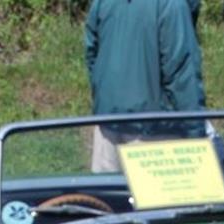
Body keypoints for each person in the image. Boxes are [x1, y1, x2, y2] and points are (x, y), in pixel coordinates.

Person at [84, 0, 206, 172]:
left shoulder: (102, 2)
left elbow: (91, 54)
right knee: (159, 197)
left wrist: (104, 97)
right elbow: (182, 75)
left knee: (106, 195)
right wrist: (196, 133)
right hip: (155, 129)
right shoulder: (171, 5)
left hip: (108, 121)